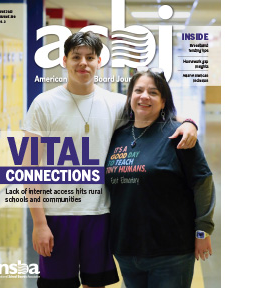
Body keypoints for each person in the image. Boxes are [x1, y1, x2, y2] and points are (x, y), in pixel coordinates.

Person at [22, 31, 198, 288]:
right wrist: (39, 223)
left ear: (99, 62)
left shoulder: (116, 104)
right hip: (57, 213)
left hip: (102, 213)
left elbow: (158, 115)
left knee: (96, 284)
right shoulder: (43, 104)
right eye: (76, 57)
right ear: (64, 61)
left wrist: (190, 123)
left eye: (90, 57)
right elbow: (29, 167)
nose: (83, 63)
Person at [105, 68, 215, 288]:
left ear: (163, 101)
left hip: (170, 251)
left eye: (153, 92)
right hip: (127, 249)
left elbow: (202, 181)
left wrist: (202, 230)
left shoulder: (179, 135)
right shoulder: (117, 135)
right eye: (139, 90)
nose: (144, 96)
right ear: (130, 97)